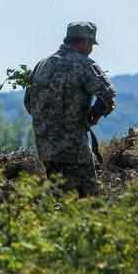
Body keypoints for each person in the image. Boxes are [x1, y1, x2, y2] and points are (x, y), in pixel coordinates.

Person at [24, 21, 117, 197]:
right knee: (86, 202)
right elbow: (108, 95)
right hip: (75, 150)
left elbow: (29, 104)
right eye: (91, 45)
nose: (91, 49)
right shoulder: (84, 64)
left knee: (59, 201)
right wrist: (93, 116)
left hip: (46, 149)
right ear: (85, 42)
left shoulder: (41, 66)